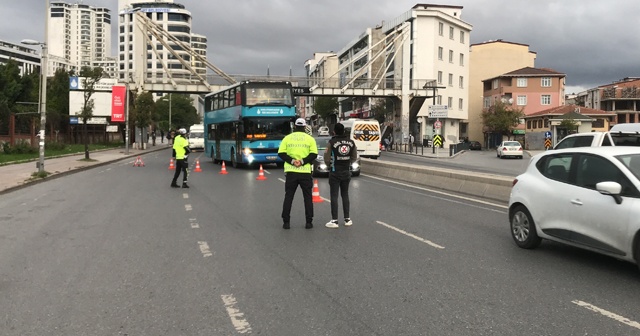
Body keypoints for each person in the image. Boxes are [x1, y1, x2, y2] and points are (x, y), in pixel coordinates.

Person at [278, 118, 318, 230]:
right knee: (308, 198)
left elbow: (281, 153)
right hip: (305, 172)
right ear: (305, 127)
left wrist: (292, 161)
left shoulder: (287, 138)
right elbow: (314, 154)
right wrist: (302, 162)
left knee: (289, 197)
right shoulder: (310, 139)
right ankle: (308, 222)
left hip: (291, 172)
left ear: (294, 126)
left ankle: (286, 222)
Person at [324, 123, 357, 229]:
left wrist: (329, 166)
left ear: (334, 131)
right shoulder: (351, 143)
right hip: (346, 172)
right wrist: (347, 164)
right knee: (345, 195)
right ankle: (347, 219)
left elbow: (327, 158)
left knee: (334, 196)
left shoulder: (331, 142)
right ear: (344, 131)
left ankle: (334, 220)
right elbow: (354, 157)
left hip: (335, 172)